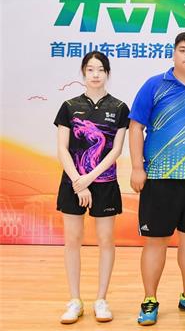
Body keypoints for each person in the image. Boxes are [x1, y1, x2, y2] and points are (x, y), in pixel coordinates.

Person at [129, 31, 185, 326]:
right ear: (174, 53)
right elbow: (135, 127)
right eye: (183, 49)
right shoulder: (154, 85)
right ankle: (150, 299)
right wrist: (137, 167)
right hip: (158, 176)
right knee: (156, 241)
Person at [55, 51, 129, 324]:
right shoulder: (69, 106)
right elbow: (62, 149)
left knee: (106, 241)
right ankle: (75, 300)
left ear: (107, 73)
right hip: (73, 183)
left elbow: (116, 150)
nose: (95, 74)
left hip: (104, 183)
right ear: (83, 73)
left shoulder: (119, 108)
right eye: (90, 69)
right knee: (72, 240)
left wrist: (90, 178)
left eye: (100, 69)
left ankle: (101, 299)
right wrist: (79, 181)